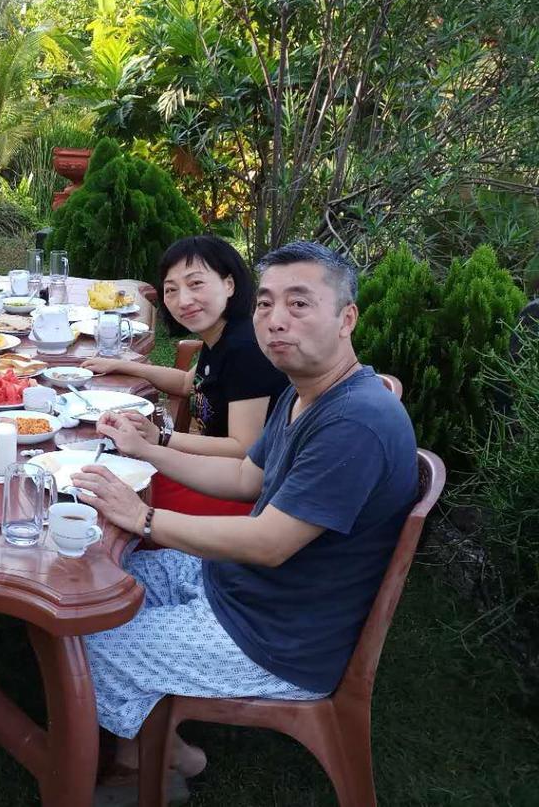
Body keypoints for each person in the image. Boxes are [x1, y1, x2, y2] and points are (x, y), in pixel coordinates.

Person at [71, 241, 417, 786]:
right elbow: (244, 477)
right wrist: (150, 450)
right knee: (85, 589)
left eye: (299, 304)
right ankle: (143, 735)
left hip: (276, 638)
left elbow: (270, 542)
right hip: (239, 589)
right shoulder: (306, 392)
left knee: (82, 635)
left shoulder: (355, 423)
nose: (276, 320)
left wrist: (143, 519)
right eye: (268, 303)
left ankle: (156, 758)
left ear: (346, 317)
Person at [83, 235, 289, 516]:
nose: (184, 300)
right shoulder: (222, 335)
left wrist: (162, 438)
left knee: (109, 493)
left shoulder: (246, 350)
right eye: (171, 289)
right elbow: (185, 382)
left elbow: (243, 448)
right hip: (210, 471)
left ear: (229, 284)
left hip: (243, 496)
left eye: (196, 284)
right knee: (107, 474)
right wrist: (122, 365)